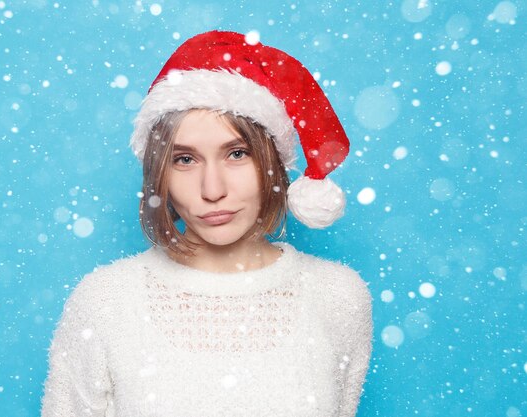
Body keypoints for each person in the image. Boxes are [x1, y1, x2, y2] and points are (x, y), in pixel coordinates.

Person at [41, 30, 372, 417]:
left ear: (273, 164)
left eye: (236, 153)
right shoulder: (104, 302)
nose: (212, 190)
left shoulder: (338, 297)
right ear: (160, 174)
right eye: (185, 159)